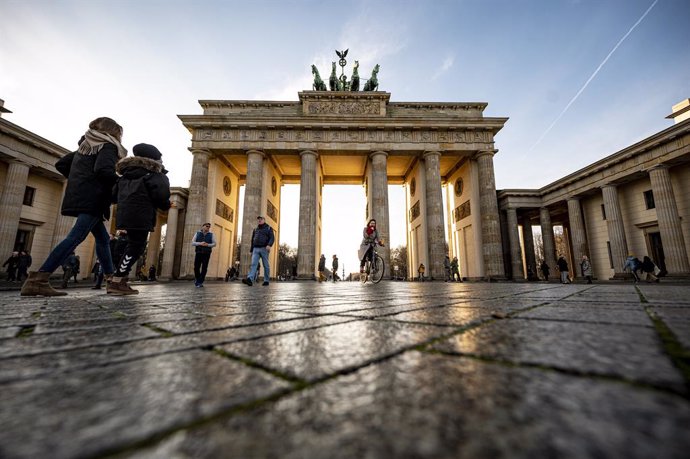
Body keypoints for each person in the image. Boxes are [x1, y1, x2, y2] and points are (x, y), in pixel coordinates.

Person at [21, 117, 124, 296]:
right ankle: (38, 279)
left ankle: (111, 281)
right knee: (75, 237)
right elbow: (103, 171)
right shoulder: (108, 146)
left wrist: (79, 181)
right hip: (94, 199)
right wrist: (125, 183)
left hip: (81, 196)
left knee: (103, 240)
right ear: (114, 132)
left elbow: (61, 164)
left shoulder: (84, 148)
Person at [107, 143, 171, 295]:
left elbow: (114, 196)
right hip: (142, 214)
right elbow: (162, 196)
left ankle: (119, 280)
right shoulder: (155, 175)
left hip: (125, 215)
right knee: (136, 247)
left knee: (131, 246)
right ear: (155, 159)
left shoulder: (124, 176)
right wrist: (166, 205)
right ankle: (118, 281)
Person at [243, 216, 274, 286]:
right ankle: (250, 279)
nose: (259, 220)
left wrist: (269, 245)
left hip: (264, 249)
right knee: (253, 264)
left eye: (261, 219)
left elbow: (272, 238)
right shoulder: (255, 229)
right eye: (258, 219)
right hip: (255, 249)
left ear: (264, 220)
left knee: (266, 265)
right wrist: (251, 250)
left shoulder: (269, 228)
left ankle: (266, 280)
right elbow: (252, 240)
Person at [191, 222, 216, 288]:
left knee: (204, 268)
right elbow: (192, 243)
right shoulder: (197, 233)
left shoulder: (211, 234)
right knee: (196, 267)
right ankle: (198, 279)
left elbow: (214, 244)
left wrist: (207, 245)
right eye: (206, 226)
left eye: (209, 227)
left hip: (207, 253)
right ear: (203, 226)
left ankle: (200, 281)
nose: (208, 228)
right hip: (198, 252)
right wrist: (200, 243)